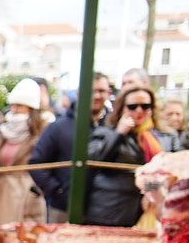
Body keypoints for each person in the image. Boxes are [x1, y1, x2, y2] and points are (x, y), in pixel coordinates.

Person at [31, 72, 113, 219]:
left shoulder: (114, 127)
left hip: (105, 210)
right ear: (79, 93)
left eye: (101, 91)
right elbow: (37, 163)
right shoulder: (59, 127)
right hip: (63, 209)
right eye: (91, 90)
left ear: (109, 93)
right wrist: (58, 191)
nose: (96, 96)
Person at [86, 84, 160, 227]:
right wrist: (119, 133)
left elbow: (161, 176)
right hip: (107, 213)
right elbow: (95, 161)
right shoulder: (105, 133)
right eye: (132, 106)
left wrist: (150, 193)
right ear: (121, 109)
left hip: (139, 214)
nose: (139, 110)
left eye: (145, 106)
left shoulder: (155, 140)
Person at [0, 78, 51, 226]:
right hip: (0, 192)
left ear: (31, 108)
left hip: (27, 194)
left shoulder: (42, 132)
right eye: (13, 105)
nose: (14, 109)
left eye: (19, 105)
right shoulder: (3, 130)